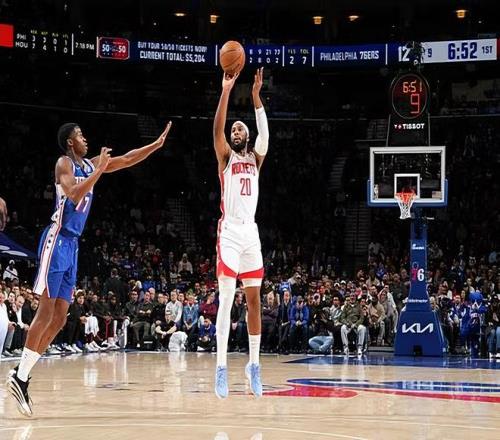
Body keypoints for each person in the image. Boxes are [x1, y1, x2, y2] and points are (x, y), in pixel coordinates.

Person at [7, 121, 172, 417]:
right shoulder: (64, 163)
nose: (86, 139)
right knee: (46, 311)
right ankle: (20, 376)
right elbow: (73, 194)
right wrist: (98, 171)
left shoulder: (90, 163)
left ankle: (21, 374)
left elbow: (126, 159)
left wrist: (154, 146)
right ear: (70, 142)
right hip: (56, 239)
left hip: (73, 245)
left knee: (60, 317)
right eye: (80, 136)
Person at [213, 67, 268, 398]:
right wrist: (226, 91)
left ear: (247, 136)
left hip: (251, 234)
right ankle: (221, 367)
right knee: (225, 299)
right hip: (230, 232)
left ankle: (254, 365)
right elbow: (217, 128)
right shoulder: (226, 158)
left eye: (239, 128)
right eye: (233, 129)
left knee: (254, 300)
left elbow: (265, 135)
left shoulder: (256, 159)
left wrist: (256, 98)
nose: (235, 131)